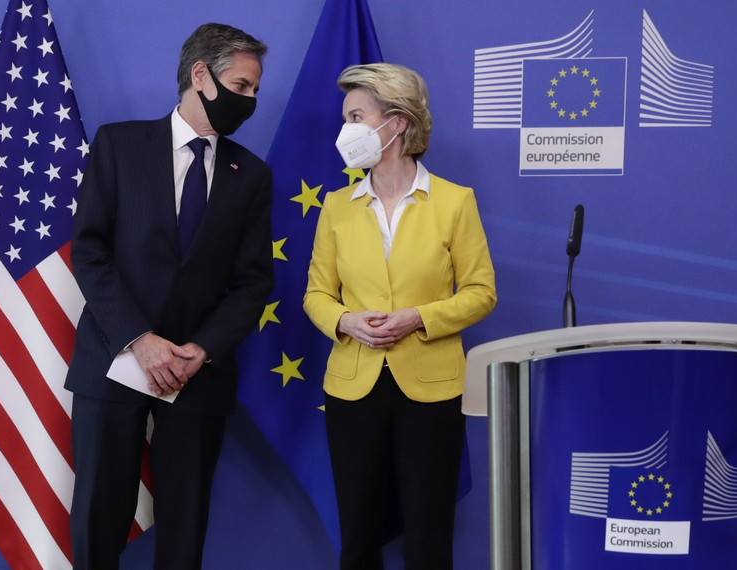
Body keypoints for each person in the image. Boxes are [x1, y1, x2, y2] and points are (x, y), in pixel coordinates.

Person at [65, 23, 273, 569]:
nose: (250, 99)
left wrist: (199, 350)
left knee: (185, 527)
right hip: (114, 358)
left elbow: (253, 283)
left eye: (254, 89)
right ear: (200, 75)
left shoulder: (251, 175)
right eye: (242, 85)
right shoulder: (118, 143)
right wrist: (139, 339)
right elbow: (89, 251)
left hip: (195, 372)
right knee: (97, 514)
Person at [303, 63, 497, 569]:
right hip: (352, 388)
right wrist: (346, 322)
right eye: (346, 117)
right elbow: (316, 295)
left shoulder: (455, 202)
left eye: (357, 116)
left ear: (398, 122)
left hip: (431, 389)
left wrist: (418, 317)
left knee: (428, 535)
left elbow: (481, 293)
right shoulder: (337, 206)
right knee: (359, 534)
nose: (347, 130)